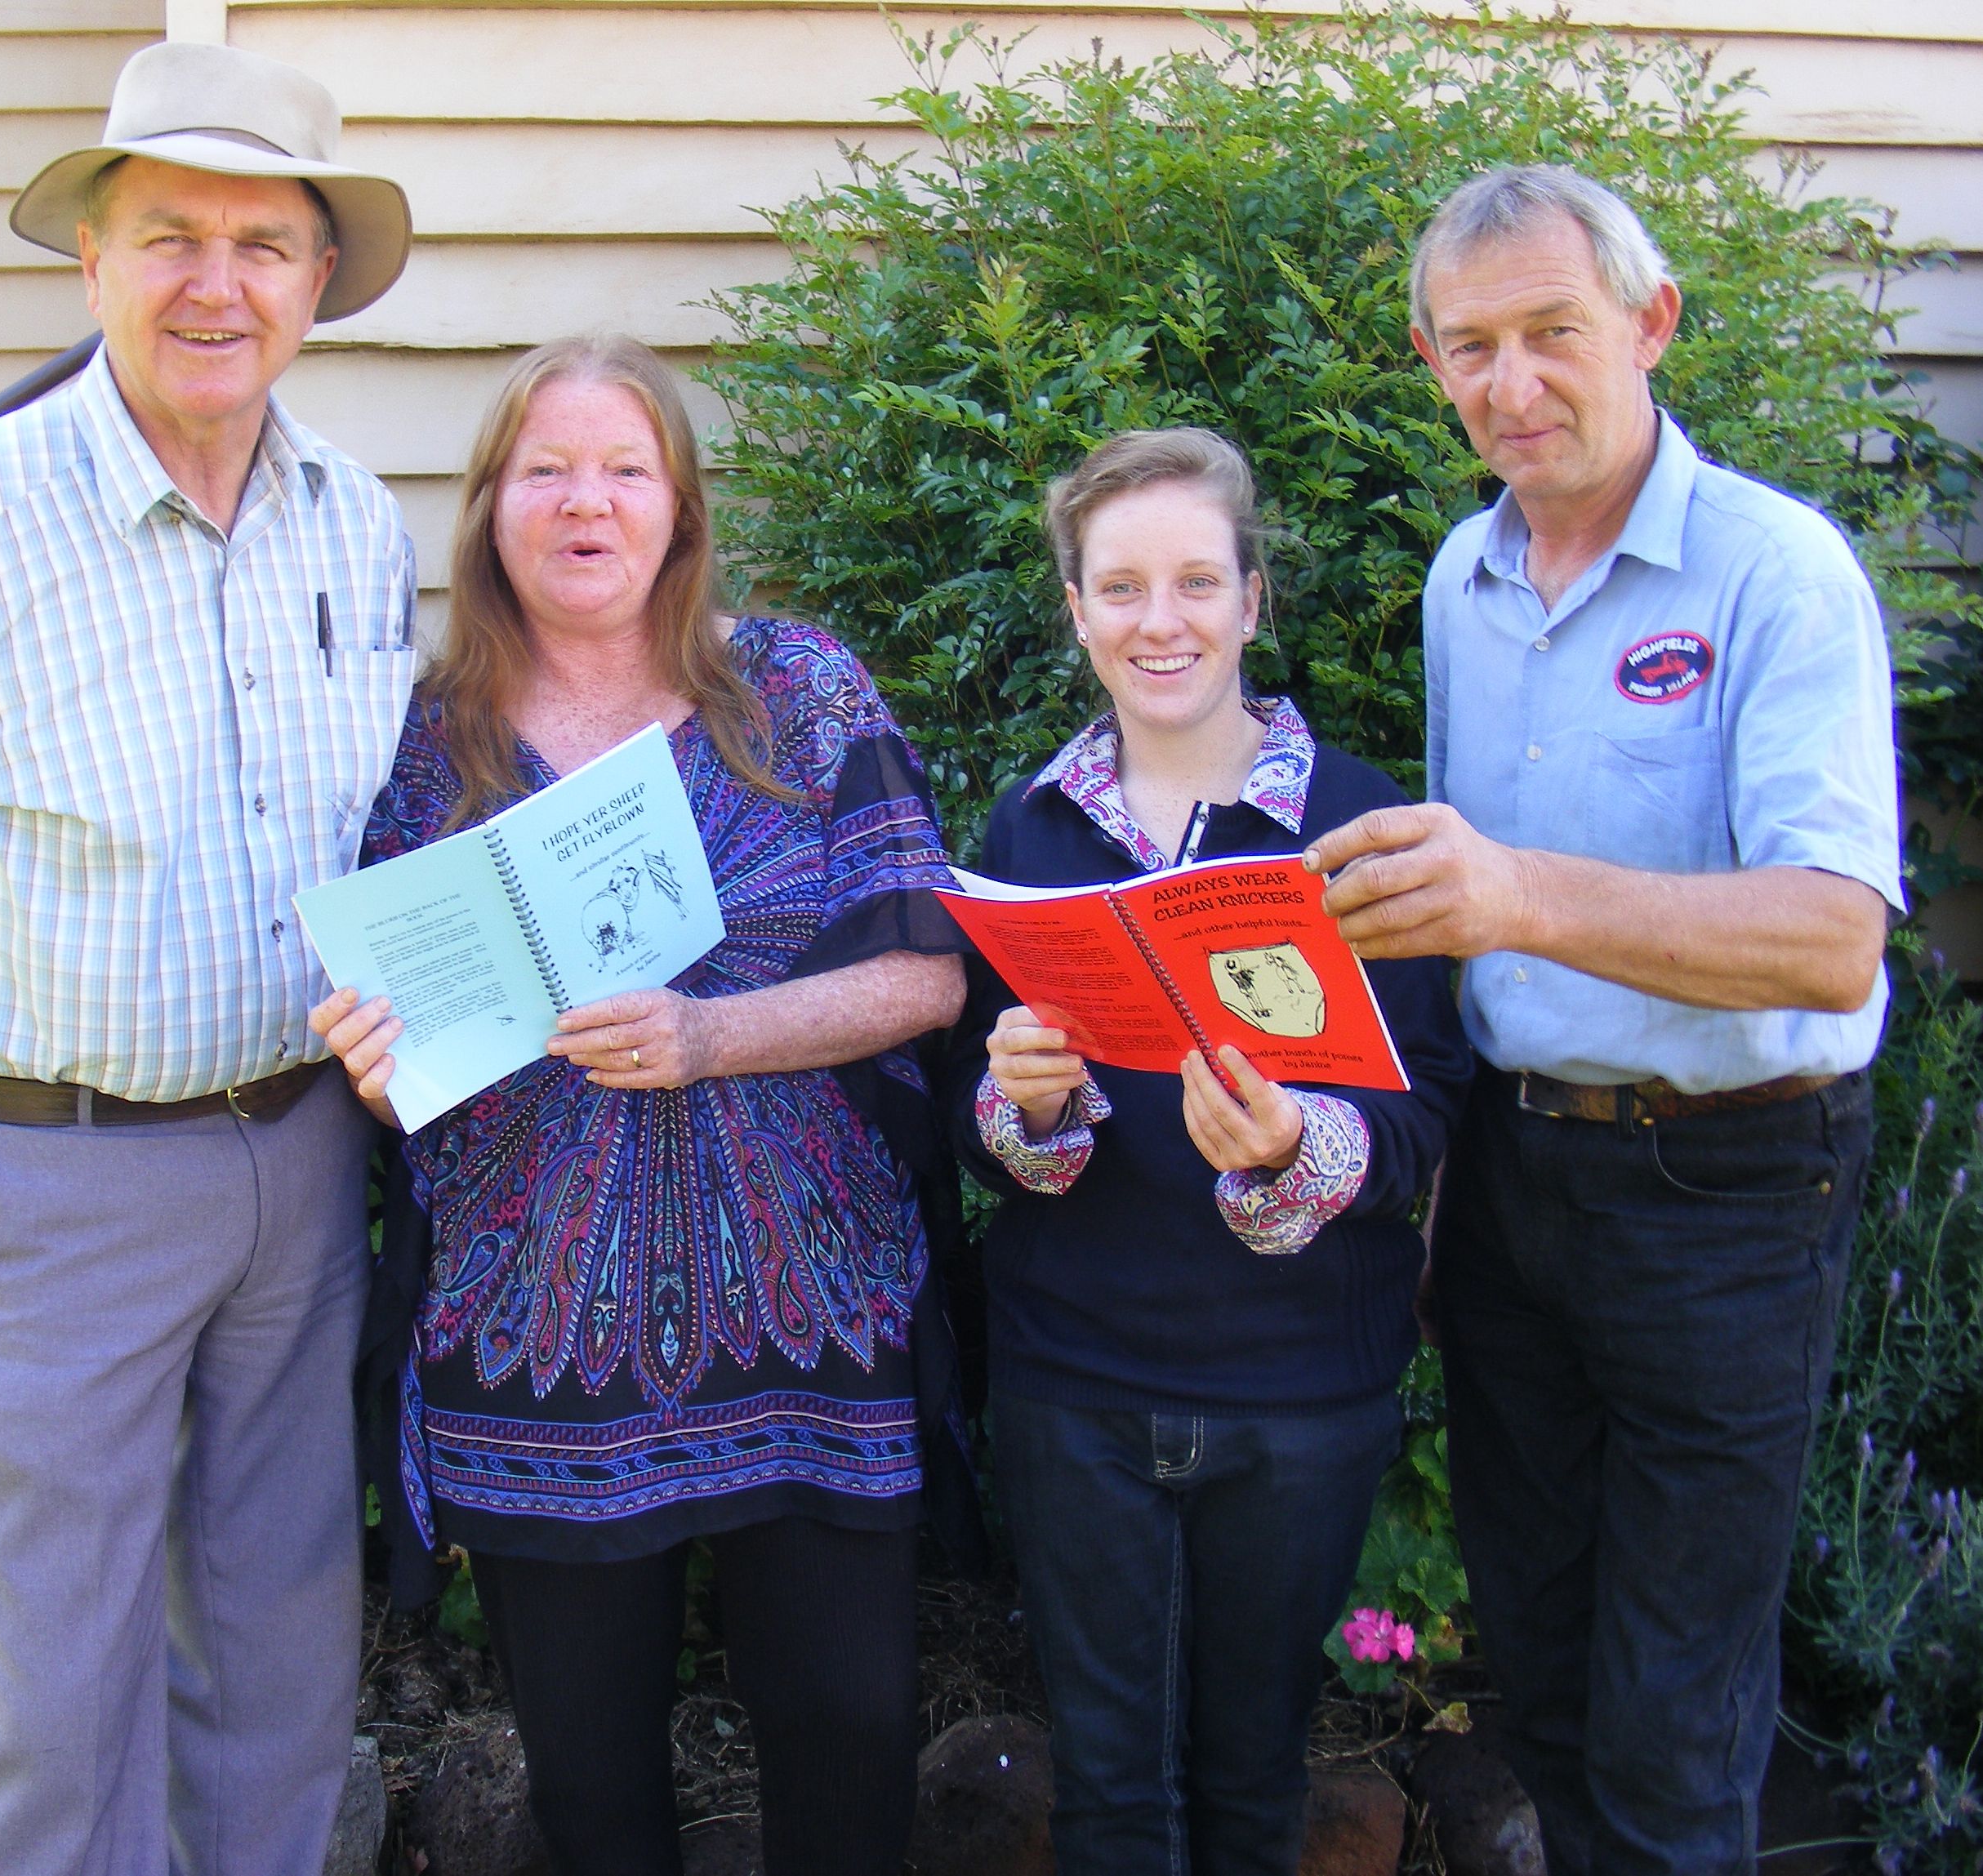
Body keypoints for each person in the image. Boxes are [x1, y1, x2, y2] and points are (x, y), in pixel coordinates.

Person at [0, 42, 418, 1876]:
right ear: (92, 265)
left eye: (264, 244)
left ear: (320, 280)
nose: (219, 285)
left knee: (279, 1650)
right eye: (170, 236)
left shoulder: (353, 520)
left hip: (299, 1159)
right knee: (57, 1692)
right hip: (56, 1177)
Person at [1306, 165, 1900, 1876]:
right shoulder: (1457, 576)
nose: (1510, 385)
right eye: (1469, 346)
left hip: (1727, 1188)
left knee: (1671, 1714)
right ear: (1427, 361)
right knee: (1544, 1687)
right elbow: (1458, 934)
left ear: (1647, 325)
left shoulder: (1774, 575)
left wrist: (1515, 897)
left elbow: (1827, 941)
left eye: (1550, 333)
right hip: (1510, 1177)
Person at [314, 334, 972, 1876]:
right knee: (596, 1798)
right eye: (546, 470)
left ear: (681, 505)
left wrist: (711, 1032)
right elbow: (387, 1033)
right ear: (489, 508)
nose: (585, 503)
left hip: (812, 1328)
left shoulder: (797, 692)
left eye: (625, 469)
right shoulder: (429, 746)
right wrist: (367, 1048)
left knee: (852, 1753)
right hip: (540, 1343)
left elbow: (928, 971)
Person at [940, 428, 1474, 1875]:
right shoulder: (1029, 827)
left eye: (1193, 580)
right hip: (1078, 1384)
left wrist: (1302, 1139)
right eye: (1119, 587)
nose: (1157, 621)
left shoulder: (1361, 825)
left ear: (1252, 598)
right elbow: (983, 1135)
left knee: (1252, 1788)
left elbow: (1432, 1116)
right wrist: (1026, 1104)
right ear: (1076, 610)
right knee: (1109, 1795)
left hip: (1299, 1387)